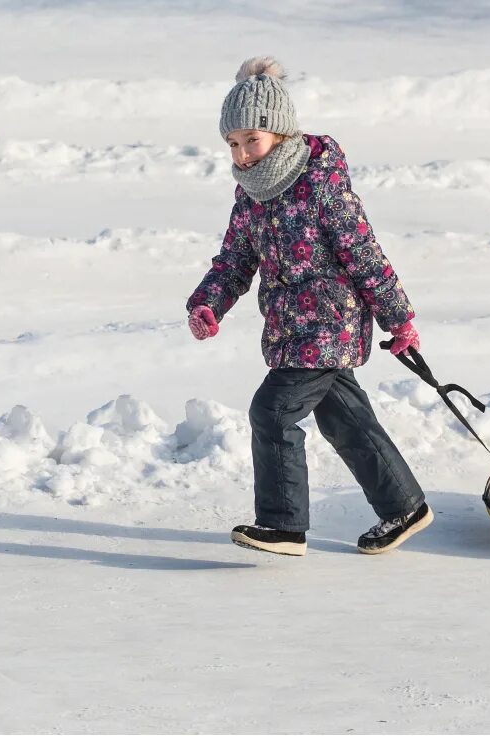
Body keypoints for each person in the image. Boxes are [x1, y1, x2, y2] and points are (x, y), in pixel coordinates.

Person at [185, 56, 432, 557]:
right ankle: (404, 506)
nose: (243, 153)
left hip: (330, 323)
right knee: (344, 419)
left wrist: (398, 316)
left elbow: (362, 251)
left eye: (252, 140)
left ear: (280, 132)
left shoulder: (320, 182)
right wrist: (209, 302)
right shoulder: (250, 194)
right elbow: (235, 257)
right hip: (288, 325)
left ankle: (283, 525)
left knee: (272, 411)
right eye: (232, 143)